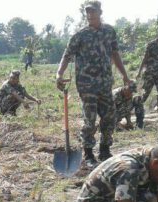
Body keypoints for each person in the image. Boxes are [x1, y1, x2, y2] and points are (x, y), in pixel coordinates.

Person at [56, 0, 132, 168]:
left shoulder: (109, 32)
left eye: (93, 12)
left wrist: (125, 76)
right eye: (87, 12)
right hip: (86, 84)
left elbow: (115, 53)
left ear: (100, 12)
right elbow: (67, 55)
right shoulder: (80, 35)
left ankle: (105, 150)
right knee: (90, 119)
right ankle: (88, 153)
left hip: (105, 83)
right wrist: (59, 74)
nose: (90, 15)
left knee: (109, 117)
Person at [137, 28, 158, 112]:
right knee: (146, 93)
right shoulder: (151, 44)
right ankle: (136, 107)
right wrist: (139, 72)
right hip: (150, 73)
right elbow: (145, 58)